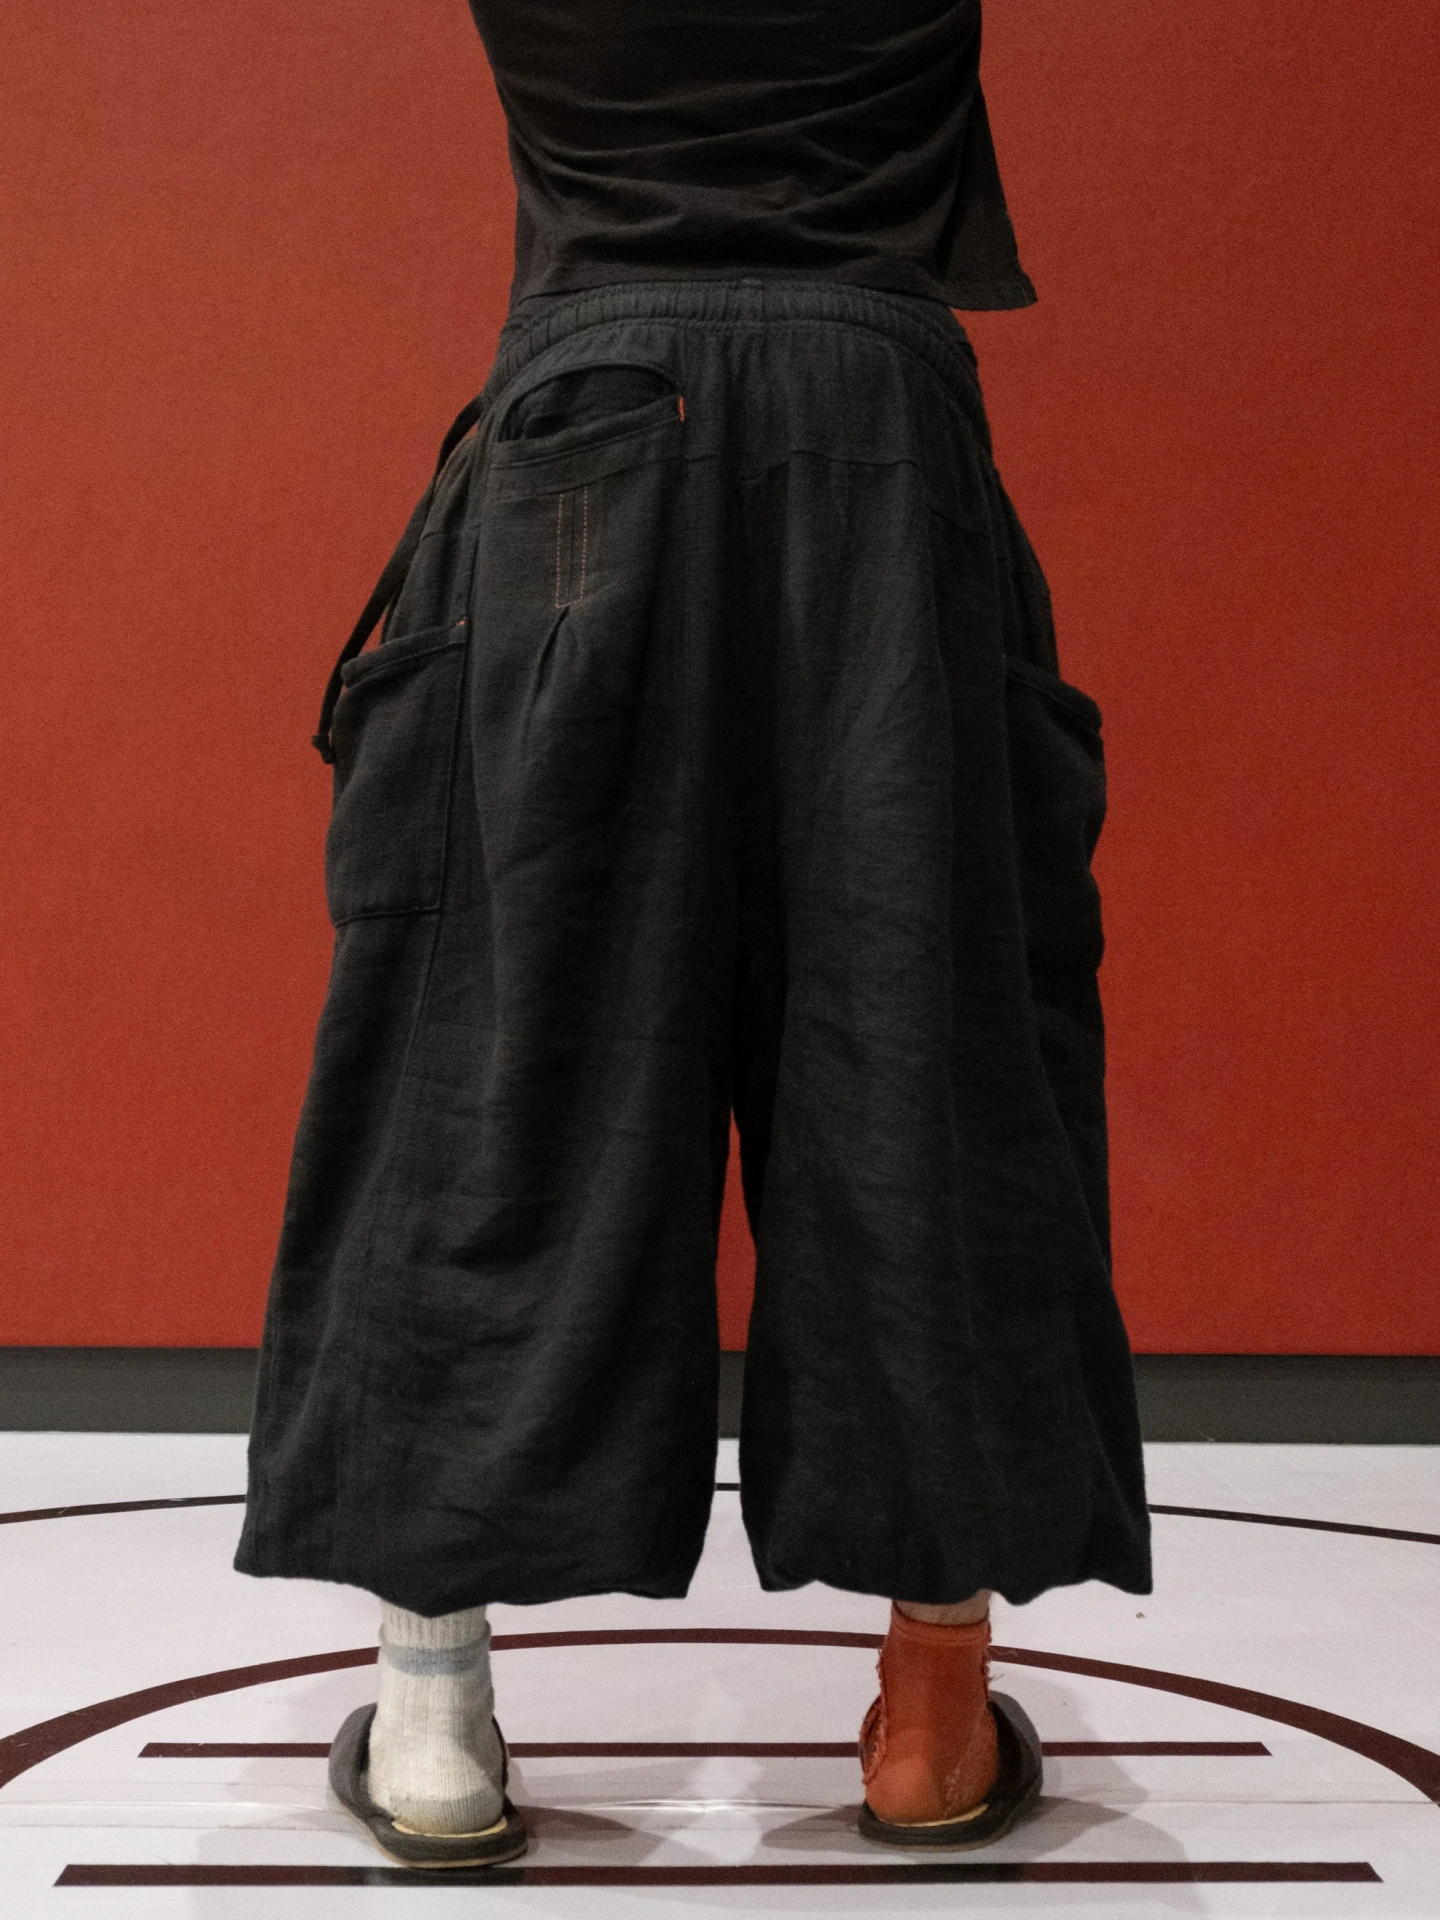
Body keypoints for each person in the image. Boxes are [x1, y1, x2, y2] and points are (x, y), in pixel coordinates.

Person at [235, 0, 1152, 1869]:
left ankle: (433, 1731)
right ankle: (935, 1725)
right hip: (882, 441)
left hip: (589, 421)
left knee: (500, 1058)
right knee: (920, 1067)